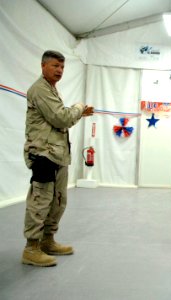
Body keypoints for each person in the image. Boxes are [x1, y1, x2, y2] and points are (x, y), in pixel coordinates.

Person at [22, 50, 94, 267]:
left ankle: (47, 240)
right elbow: (61, 118)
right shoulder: (40, 89)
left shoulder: (52, 90)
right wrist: (79, 108)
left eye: (62, 67)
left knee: (58, 200)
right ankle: (31, 248)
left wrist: (76, 113)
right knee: (41, 200)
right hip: (43, 154)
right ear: (43, 66)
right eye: (55, 66)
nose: (59, 71)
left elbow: (60, 119)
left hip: (57, 154)